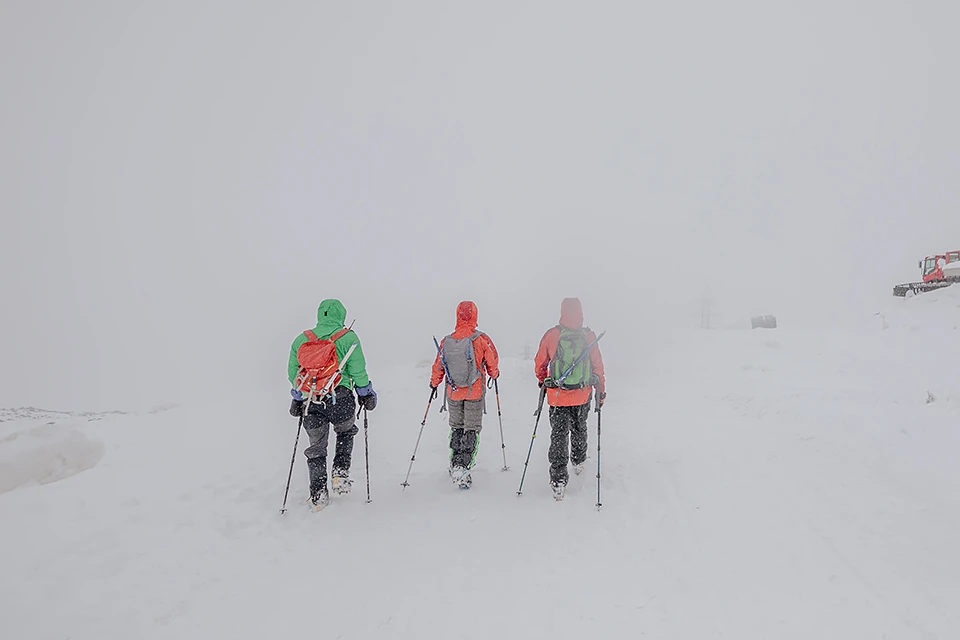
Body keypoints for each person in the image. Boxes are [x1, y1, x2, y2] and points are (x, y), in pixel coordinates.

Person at [288, 299, 376, 509]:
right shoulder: (348, 338)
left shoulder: (302, 340)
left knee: (316, 446)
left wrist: (298, 397)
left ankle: (318, 494)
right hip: (341, 397)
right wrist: (365, 392)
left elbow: (294, 373)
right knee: (345, 432)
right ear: (341, 315)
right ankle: (340, 474)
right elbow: (358, 370)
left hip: (311, 400)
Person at [534, 297, 606, 500]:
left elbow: (540, 363)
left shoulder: (552, 335)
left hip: (558, 396)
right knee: (580, 427)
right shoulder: (589, 335)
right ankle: (578, 460)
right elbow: (598, 366)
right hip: (582, 393)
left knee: (558, 434)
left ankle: (558, 480)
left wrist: (543, 382)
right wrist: (600, 392)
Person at [430, 301, 500, 489]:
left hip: (453, 392)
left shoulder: (447, 340)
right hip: (474, 391)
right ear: (475, 315)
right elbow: (492, 361)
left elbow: (438, 365)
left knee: (457, 427)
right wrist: (494, 374)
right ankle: (464, 467)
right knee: (472, 428)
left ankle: (455, 463)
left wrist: (434, 383)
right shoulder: (480, 339)